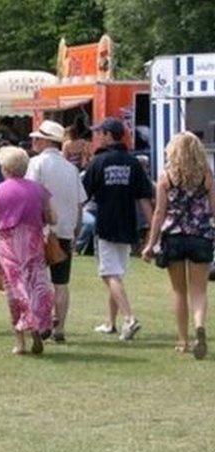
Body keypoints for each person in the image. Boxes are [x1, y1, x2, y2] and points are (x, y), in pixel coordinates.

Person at [141, 132, 215, 359]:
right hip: (201, 235)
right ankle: (199, 327)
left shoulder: (166, 177)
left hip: (173, 237)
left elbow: (159, 214)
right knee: (199, 290)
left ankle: (183, 340)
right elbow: (213, 208)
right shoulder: (206, 175)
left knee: (179, 292)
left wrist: (150, 244)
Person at [82, 118, 154, 340]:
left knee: (109, 274)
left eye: (99, 133)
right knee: (116, 275)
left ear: (107, 135)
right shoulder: (133, 163)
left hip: (106, 225)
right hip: (128, 225)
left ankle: (129, 318)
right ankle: (110, 323)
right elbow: (144, 199)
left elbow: (82, 195)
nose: (96, 137)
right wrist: (153, 230)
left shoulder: (98, 162)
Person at [0, 147, 56, 355]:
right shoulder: (39, 189)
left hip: (8, 245)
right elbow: (51, 217)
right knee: (36, 286)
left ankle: (20, 341)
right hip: (33, 243)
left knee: (14, 291)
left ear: (5, 168)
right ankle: (38, 326)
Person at [26, 120, 86, 343]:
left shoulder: (36, 164)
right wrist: (76, 230)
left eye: (37, 138)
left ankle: (40, 323)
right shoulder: (71, 169)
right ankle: (59, 328)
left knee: (37, 280)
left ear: (44, 141)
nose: (34, 142)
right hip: (65, 231)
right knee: (61, 282)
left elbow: (32, 196)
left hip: (41, 229)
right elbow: (79, 204)